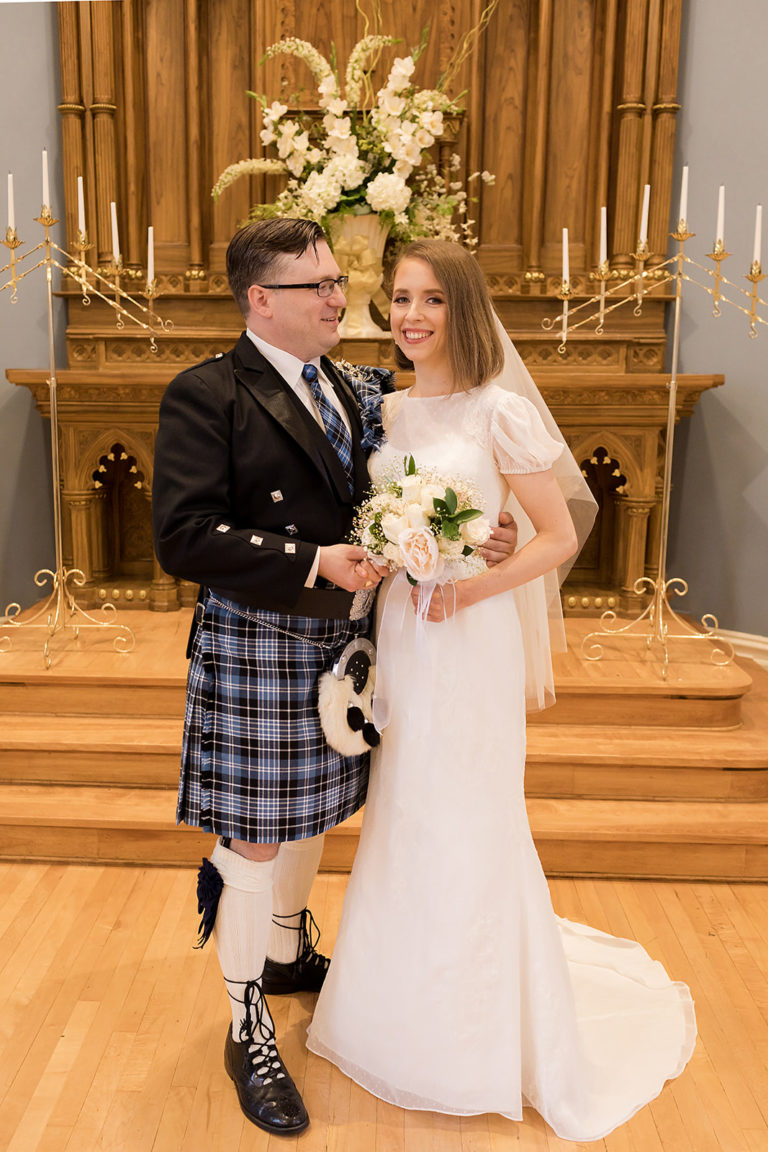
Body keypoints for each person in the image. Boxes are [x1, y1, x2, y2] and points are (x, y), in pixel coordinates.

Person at [306, 240, 697, 1142]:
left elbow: (557, 535)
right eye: (401, 298)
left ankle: (478, 1033)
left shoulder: (502, 412)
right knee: (404, 809)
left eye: (433, 300)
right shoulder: (385, 411)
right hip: (401, 632)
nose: (412, 317)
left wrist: (471, 583)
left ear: (465, 309)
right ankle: (391, 1012)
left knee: (467, 812)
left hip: (467, 638)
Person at [151, 219, 517, 1137]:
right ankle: (246, 1023)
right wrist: (313, 560)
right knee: (255, 841)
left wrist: (484, 532)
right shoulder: (206, 394)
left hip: (344, 651)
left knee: (312, 815)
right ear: (258, 300)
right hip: (258, 650)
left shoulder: (356, 389)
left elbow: (431, 468)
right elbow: (182, 536)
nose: (335, 297)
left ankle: (281, 951)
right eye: (314, 284)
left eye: (335, 279)